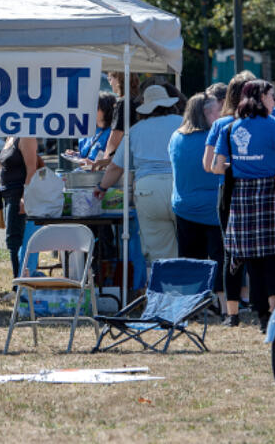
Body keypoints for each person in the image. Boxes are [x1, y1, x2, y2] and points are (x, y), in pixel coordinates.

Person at [211, 80, 275, 327]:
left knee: (249, 257)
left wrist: (239, 166)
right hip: (270, 193)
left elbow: (215, 167)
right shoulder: (272, 126)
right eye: (270, 95)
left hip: (242, 196)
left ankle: (261, 314)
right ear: (259, 97)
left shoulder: (230, 128)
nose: (274, 101)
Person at [98, 84, 183, 265]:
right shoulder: (182, 123)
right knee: (186, 245)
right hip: (180, 186)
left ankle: (164, 291)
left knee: (158, 251)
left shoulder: (135, 131)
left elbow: (115, 167)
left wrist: (102, 187)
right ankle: (189, 290)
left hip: (148, 190)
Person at [168, 92, 230, 312]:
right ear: (205, 113)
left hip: (183, 206)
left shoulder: (176, 136)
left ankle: (190, 306)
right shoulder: (214, 138)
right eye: (217, 110)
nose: (222, 114)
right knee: (219, 259)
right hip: (213, 209)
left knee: (189, 260)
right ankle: (223, 305)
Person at [202, 71, 256, 325]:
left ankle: (231, 310)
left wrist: (233, 165)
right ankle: (258, 301)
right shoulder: (270, 119)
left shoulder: (221, 124)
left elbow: (209, 164)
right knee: (261, 249)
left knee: (230, 250)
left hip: (230, 190)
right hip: (261, 189)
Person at [0, 136, 38, 277]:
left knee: (15, 240)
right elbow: (6, 165)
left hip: (18, 194)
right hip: (8, 194)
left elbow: (32, 169)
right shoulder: (10, 137)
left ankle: (19, 283)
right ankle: (20, 280)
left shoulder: (25, 137)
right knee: (13, 240)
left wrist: (25, 197)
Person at [64, 92, 115, 168]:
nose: (91, 110)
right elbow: (86, 154)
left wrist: (92, 163)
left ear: (106, 110)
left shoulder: (113, 133)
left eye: (96, 108)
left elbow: (113, 161)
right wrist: (75, 154)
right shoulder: (87, 132)